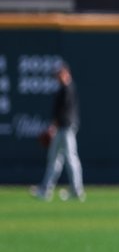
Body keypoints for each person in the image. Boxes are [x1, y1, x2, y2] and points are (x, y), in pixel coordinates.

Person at [30, 62, 85, 202]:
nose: (57, 77)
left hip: (65, 128)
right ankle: (46, 189)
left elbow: (64, 112)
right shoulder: (63, 88)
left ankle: (76, 190)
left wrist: (52, 127)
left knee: (70, 158)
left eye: (59, 74)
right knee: (55, 159)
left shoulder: (67, 88)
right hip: (62, 127)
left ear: (65, 73)